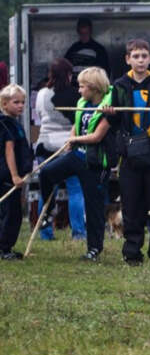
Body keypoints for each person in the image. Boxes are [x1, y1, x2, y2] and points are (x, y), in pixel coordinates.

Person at [103, 38, 150, 266]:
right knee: (132, 206)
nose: (140, 60)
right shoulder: (119, 85)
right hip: (129, 154)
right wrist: (110, 113)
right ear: (128, 59)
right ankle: (132, 252)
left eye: (144, 56)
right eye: (135, 56)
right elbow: (115, 123)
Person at [38, 67, 116, 261]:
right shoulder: (82, 102)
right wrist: (71, 139)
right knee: (46, 173)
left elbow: (98, 136)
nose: (79, 90)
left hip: (95, 161)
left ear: (94, 87)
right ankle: (48, 213)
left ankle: (94, 249)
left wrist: (76, 140)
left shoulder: (110, 107)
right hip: (77, 155)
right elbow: (76, 125)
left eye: (82, 86)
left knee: (94, 206)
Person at [35, 58, 86, 241]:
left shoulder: (41, 94)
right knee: (75, 190)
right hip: (67, 146)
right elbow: (78, 122)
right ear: (69, 75)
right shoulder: (76, 96)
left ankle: (45, 233)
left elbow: (40, 115)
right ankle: (78, 233)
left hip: (45, 145)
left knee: (47, 192)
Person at [0, 84, 33, 260]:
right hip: (7, 176)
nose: (20, 106)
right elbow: (9, 150)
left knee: (16, 212)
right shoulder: (5, 124)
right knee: (9, 212)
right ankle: (4, 248)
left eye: (23, 102)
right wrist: (14, 175)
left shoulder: (15, 123)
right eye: (16, 102)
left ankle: (7, 246)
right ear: (4, 104)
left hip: (17, 175)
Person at [64, 18, 110, 83]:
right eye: (81, 33)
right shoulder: (73, 49)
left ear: (90, 32)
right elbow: (65, 67)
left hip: (91, 86)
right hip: (75, 85)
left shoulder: (99, 49)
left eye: (86, 33)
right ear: (78, 32)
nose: (84, 36)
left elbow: (105, 71)